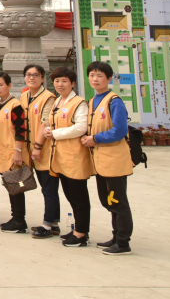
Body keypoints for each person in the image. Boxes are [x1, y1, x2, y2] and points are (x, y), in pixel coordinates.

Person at [83, 61, 134, 256]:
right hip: (101, 161)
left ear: (109, 79)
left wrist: (94, 138)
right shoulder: (92, 101)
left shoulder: (114, 101)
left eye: (100, 76)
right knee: (108, 201)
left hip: (114, 161)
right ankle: (116, 236)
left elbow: (120, 131)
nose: (95, 79)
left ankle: (123, 243)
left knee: (118, 202)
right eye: (92, 75)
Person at [39, 66, 91, 247]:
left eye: (64, 81)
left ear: (73, 83)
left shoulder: (79, 103)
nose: (60, 84)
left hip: (75, 157)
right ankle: (78, 230)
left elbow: (80, 127)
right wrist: (48, 131)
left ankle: (81, 234)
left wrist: (55, 133)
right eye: (57, 81)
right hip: (61, 157)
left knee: (79, 197)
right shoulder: (58, 102)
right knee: (70, 195)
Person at [21, 63, 60, 239]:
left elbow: (45, 122)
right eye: (28, 75)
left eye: (36, 75)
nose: (32, 78)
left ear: (42, 78)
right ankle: (54, 223)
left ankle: (47, 225)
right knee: (46, 187)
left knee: (49, 189)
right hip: (30, 149)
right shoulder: (24, 96)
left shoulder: (48, 97)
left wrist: (37, 146)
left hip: (43, 149)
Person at [0, 71, 28, 233]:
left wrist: (18, 152)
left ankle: (19, 220)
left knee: (16, 187)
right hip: (2, 152)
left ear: (9, 85)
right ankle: (16, 218)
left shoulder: (15, 105)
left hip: (13, 152)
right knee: (10, 186)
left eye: (1, 85)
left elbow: (21, 130)